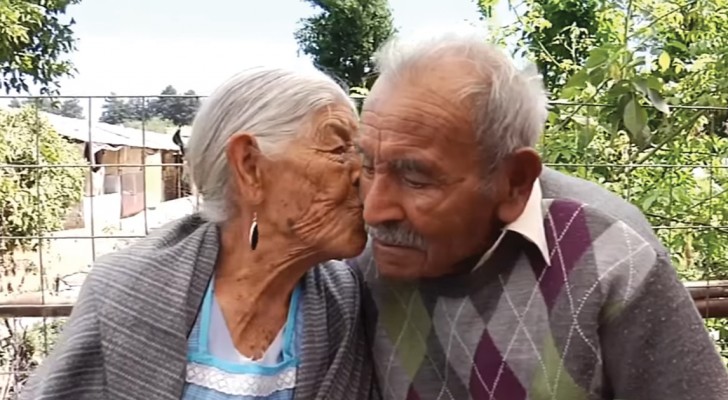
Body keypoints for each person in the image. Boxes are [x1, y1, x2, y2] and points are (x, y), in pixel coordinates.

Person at [351, 30, 728, 400]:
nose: (374, 210)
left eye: (416, 178)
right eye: (367, 166)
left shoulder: (611, 252)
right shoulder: (353, 257)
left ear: (514, 182)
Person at [21, 67, 377, 400]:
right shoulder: (127, 290)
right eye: (338, 149)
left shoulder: (343, 301)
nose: (362, 173)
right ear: (250, 167)